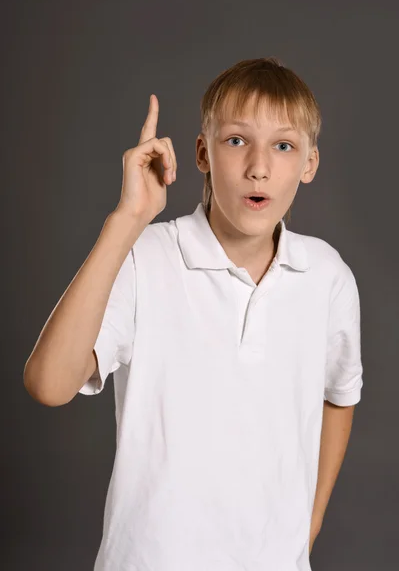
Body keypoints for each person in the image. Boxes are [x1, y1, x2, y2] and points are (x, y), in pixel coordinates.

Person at [23, 57, 363, 571]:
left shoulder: (327, 277)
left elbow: (340, 396)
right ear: (202, 152)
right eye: (235, 140)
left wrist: (306, 530)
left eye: (284, 146)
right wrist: (128, 219)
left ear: (310, 164)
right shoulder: (144, 257)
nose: (259, 166)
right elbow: (49, 384)